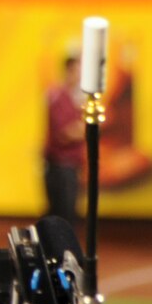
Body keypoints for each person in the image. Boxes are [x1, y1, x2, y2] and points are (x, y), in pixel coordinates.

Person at [43, 53, 87, 222]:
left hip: (71, 165)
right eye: (78, 71)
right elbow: (64, 134)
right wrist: (84, 130)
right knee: (63, 214)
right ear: (69, 71)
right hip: (61, 166)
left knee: (68, 213)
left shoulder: (73, 99)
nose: (80, 76)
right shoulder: (58, 97)